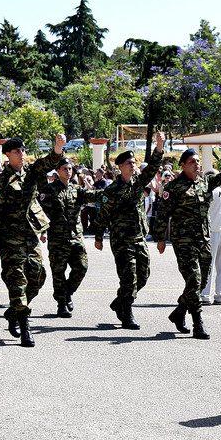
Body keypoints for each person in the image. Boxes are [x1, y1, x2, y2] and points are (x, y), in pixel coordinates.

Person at [153, 143, 221, 339]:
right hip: (184, 241)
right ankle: (198, 323)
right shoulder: (173, 187)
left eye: (198, 161)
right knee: (194, 279)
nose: (196, 164)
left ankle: (179, 312)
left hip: (204, 239)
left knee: (202, 282)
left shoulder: (205, 182)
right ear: (183, 165)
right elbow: (163, 213)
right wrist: (160, 238)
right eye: (192, 162)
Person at [0, 135, 65, 347]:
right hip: (10, 238)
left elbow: (47, 163)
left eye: (23, 150)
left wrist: (57, 149)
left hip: (30, 235)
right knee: (17, 282)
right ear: (8, 155)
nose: (21, 154)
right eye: (17, 151)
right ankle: (24, 326)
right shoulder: (1, 181)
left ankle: (14, 311)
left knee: (38, 276)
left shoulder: (31, 174)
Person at [94, 133, 166, 330]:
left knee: (143, 276)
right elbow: (103, 215)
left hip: (139, 237)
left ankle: (119, 302)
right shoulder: (112, 189)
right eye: (129, 163)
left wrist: (159, 146)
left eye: (134, 162)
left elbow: (152, 168)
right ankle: (127, 313)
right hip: (121, 240)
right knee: (128, 277)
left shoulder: (138, 182)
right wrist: (98, 237)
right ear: (120, 166)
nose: (133, 165)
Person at [39, 155, 103, 318]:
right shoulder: (49, 190)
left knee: (81, 267)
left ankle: (67, 293)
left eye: (70, 169)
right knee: (58, 272)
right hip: (57, 239)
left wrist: (113, 189)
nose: (68, 171)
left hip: (75, 237)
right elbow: (43, 213)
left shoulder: (76, 189)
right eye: (65, 169)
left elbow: (94, 196)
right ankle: (61, 303)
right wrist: (43, 232)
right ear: (58, 171)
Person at [201, 171, 221, 306]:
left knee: (207, 263)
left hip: (212, 229)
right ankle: (220, 294)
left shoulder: (210, 190)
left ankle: (205, 294)